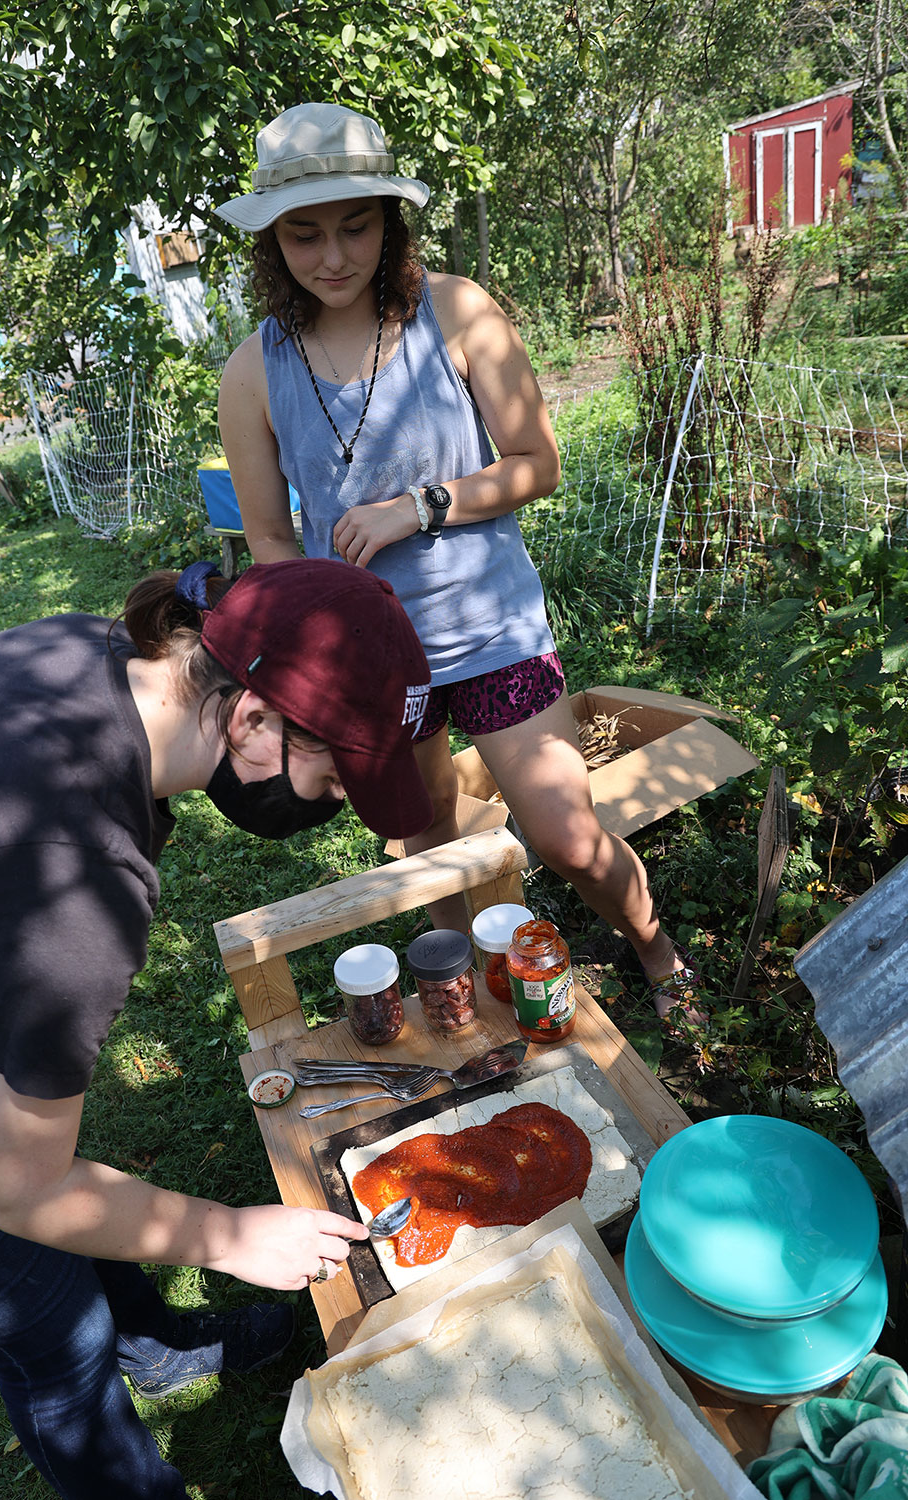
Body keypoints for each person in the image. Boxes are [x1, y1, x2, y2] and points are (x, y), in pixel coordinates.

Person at [0, 556, 433, 1500]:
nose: (340, 803)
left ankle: (154, 1345)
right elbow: (15, 1188)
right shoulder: (69, 876)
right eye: (337, 775)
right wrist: (228, 1235)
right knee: (50, 1328)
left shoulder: (103, 650)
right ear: (254, 718)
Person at [216, 101, 703, 1023]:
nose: (333, 256)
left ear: (390, 221)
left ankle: (656, 953)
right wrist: (307, 652)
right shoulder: (253, 370)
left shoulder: (458, 311)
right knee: (425, 839)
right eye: (304, 233)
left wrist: (420, 506)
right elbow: (271, 542)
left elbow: (537, 464)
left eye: (356, 226)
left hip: (488, 628)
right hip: (372, 661)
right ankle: (467, 994)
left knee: (567, 835)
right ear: (271, 241)